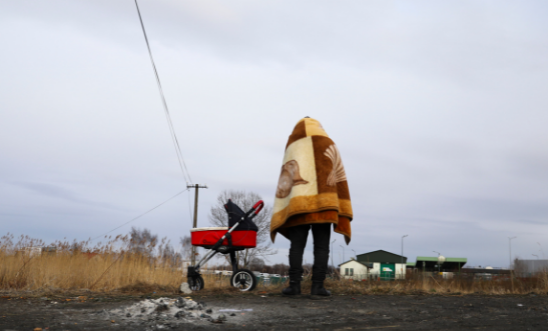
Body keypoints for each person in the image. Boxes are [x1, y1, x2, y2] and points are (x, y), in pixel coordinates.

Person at [270, 117, 353, 296]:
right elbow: (339, 174)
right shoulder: (329, 142)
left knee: (296, 246)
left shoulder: (293, 144)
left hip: (300, 202)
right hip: (326, 204)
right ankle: (317, 287)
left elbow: (286, 174)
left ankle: (294, 286)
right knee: (322, 246)